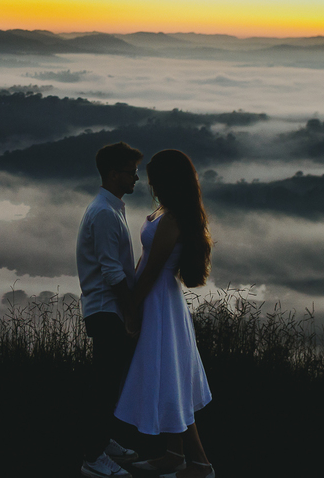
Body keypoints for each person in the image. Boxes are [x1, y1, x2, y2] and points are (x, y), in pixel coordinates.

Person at [114, 149, 215, 478]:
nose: (148, 180)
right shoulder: (166, 211)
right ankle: (175, 455)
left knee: (171, 381)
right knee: (169, 379)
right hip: (160, 302)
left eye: (154, 175)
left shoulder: (172, 219)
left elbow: (153, 270)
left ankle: (199, 463)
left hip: (160, 305)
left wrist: (132, 308)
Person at [76, 142, 144, 477]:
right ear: (114, 174)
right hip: (106, 309)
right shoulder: (104, 213)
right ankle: (93, 458)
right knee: (104, 386)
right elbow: (111, 271)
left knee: (111, 382)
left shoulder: (111, 207)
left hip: (109, 308)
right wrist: (131, 310)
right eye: (131, 172)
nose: (136, 178)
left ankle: (102, 442)